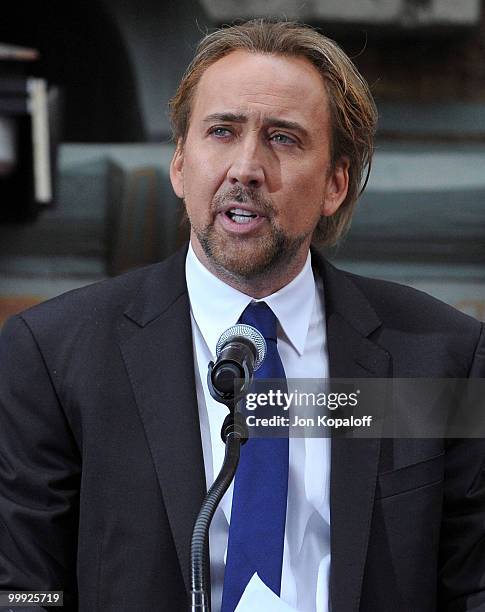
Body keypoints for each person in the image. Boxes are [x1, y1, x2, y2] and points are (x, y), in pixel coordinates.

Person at [0, 19, 484, 612]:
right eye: (222, 131)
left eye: (283, 138)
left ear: (336, 184)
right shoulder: (53, 355)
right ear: (180, 163)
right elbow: (25, 591)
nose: (246, 168)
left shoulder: (440, 358)